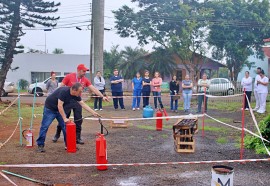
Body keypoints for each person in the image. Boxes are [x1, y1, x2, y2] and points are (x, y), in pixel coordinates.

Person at [52, 64, 108, 145]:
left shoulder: (85, 80)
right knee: (64, 118)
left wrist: (102, 96)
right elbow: (61, 87)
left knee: (78, 119)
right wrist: (58, 99)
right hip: (67, 101)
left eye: (85, 71)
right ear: (78, 70)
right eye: (83, 71)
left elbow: (93, 89)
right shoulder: (69, 76)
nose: (85, 73)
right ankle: (57, 134)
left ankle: (77, 137)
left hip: (78, 101)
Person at [36, 83, 101, 152]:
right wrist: (64, 118)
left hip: (60, 110)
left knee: (66, 127)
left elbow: (82, 104)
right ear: (74, 90)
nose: (81, 93)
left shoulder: (76, 95)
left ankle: (69, 145)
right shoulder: (64, 92)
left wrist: (93, 112)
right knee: (45, 126)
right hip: (50, 109)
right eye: (80, 91)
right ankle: (40, 145)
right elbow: (60, 106)